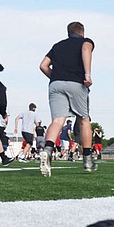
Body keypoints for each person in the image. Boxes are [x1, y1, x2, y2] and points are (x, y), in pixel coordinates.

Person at [39, 21, 96, 175]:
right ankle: (88, 160)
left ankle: (48, 150)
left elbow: (43, 65)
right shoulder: (86, 42)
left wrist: (56, 77)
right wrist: (87, 75)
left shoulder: (57, 46)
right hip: (76, 83)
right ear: (82, 32)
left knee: (58, 120)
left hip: (55, 84)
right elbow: (85, 49)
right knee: (84, 120)